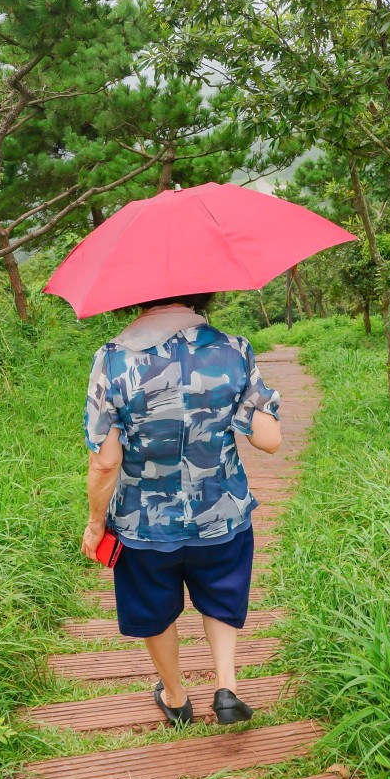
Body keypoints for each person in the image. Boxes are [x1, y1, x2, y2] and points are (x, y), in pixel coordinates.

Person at [80, 293, 281, 726]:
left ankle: (175, 697)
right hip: (221, 513)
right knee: (220, 594)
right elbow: (269, 439)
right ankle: (226, 687)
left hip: (143, 523)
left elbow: (106, 460)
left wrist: (96, 524)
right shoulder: (234, 350)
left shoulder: (113, 360)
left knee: (153, 606)